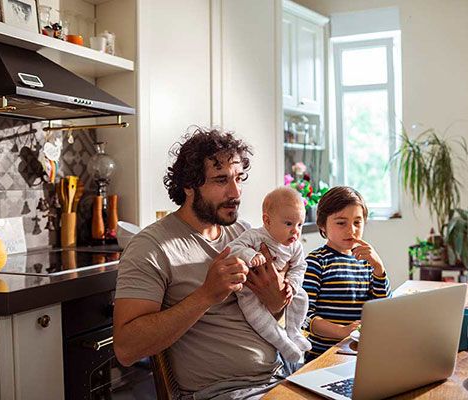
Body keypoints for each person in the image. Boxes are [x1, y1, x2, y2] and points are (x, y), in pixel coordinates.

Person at [113, 126, 297, 399]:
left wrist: (275, 303)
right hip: (225, 393)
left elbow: (270, 316)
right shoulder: (151, 247)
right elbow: (126, 349)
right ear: (189, 185)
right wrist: (206, 295)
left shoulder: (245, 233)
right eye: (221, 180)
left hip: (281, 378)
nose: (235, 192)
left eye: (238, 178)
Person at [302, 186, 392, 362]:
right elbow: (304, 317)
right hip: (322, 358)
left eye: (357, 222)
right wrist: (342, 331)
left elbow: (383, 310)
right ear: (322, 225)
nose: (351, 230)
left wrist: (379, 269)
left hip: (359, 356)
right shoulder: (315, 262)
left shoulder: (367, 262)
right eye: (341, 223)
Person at [227, 187, 311, 363]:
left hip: (282, 289)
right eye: (289, 224)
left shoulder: (295, 246)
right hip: (249, 292)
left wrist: (292, 284)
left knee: (302, 296)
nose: (295, 231)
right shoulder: (255, 236)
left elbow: (299, 267)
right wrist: (251, 255)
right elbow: (233, 249)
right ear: (267, 220)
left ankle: (293, 331)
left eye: (300, 224)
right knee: (258, 317)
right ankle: (283, 344)